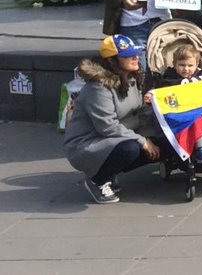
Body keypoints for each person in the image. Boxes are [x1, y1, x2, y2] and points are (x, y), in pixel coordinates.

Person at [63, 35, 160, 204]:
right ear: (113, 60)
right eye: (129, 55)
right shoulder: (98, 87)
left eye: (136, 53)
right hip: (88, 143)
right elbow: (107, 127)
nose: (136, 57)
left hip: (117, 136)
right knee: (131, 149)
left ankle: (109, 172)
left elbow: (136, 114)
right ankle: (97, 179)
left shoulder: (132, 77)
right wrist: (142, 140)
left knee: (162, 142)